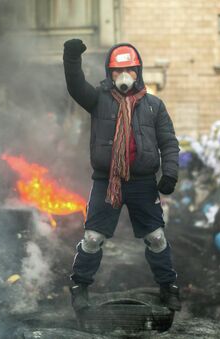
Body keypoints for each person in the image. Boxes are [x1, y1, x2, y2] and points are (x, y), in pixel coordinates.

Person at [62, 39, 181, 312]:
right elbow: (75, 85)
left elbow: (169, 142)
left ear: (138, 71)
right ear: (109, 73)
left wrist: (170, 173)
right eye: (117, 71)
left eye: (129, 69)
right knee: (92, 238)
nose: (123, 76)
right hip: (107, 182)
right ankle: (80, 288)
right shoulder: (98, 100)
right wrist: (71, 58)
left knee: (156, 238)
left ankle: (168, 288)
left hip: (143, 183)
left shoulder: (154, 105)